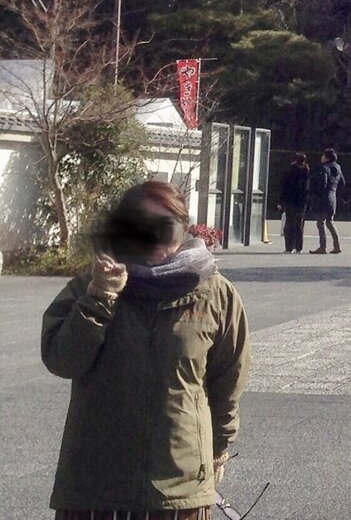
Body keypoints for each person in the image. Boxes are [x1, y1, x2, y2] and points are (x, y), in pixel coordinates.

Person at [42, 180, 250, 519]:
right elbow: (62, 360)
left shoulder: (216, 294)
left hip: (180, 488)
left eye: (164, 227)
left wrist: (217, 450)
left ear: (184, 228)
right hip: (95, 486)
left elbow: (229, 381)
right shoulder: (90, 285)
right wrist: (99, 298)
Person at [308, 147, 345, 254]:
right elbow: (342, 183)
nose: (322, 157)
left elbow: (322, 183)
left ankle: (322, 247)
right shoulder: (338, 168)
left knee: (320, 223)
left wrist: (315, 193)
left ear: (327, 158)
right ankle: (337, 246)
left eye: (323, 155)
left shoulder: (324, 168)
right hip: (332, 198)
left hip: (323, 198)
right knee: (330, 222)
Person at [279, 151, 309, 253]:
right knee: (299, 224)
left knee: (289, 224)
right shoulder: (306, 171)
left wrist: (281, 201)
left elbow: (284, 186)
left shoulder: (290, 170)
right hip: (302, 202)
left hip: (291, 200)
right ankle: (299, 247)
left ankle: (289, 247)